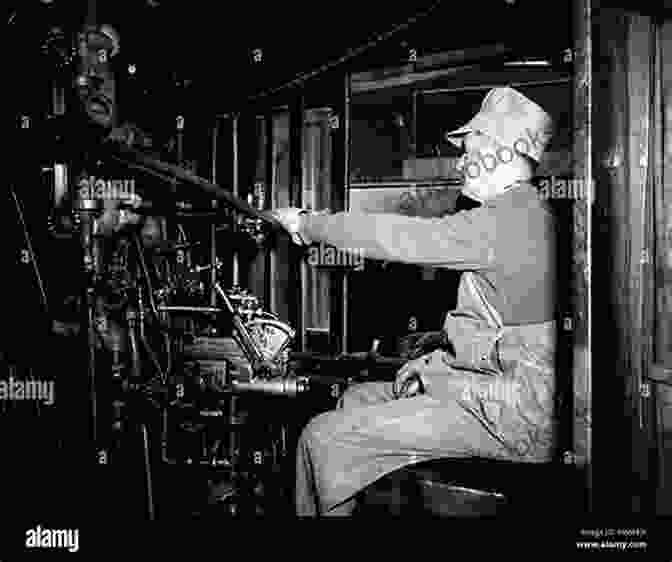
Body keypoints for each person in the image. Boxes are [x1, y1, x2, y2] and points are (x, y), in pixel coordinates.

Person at [271, 86, 559, 517]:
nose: (461, 161)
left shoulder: (512, 216)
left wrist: (311, 224)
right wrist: (435, 364)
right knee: (357, 399)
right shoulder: (528, 211)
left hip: (513, 416)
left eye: (470, 147)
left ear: (502, 150)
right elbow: (502, 340)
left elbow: (401, 237)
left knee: (322, 438)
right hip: (505, 393)